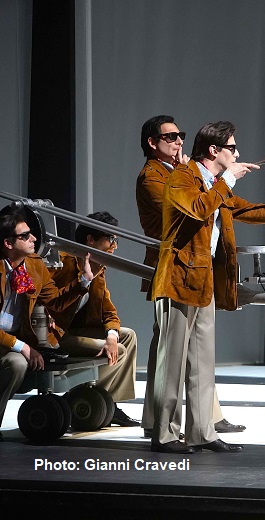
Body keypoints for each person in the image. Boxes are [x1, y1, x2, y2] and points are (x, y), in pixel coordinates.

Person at [149, 121, 265, 453]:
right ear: (214, 150)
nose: (238, 153)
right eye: (232, 147)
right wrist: (228, 179)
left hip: (204, 282)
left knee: (202, 363)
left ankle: (202, 432)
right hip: (178, 281)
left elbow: (247, 210)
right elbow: (197, 209)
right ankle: (165, 435)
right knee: (172, 364)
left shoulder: (217, 185)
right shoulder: (183, 177)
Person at [136, 115, 244, 439]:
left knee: (197, 353)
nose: (178, 141)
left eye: (180, 135)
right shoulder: (155, 176)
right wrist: (218, 181)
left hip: (198, 269)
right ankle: (161, 427)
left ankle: (203, 425)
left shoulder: (185, 172)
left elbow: (225, 208)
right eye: (170, 137)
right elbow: (187, 214)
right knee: (170, 353)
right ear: (152, 143)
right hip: (174, 269)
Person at [0, 209, 94, 440]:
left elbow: (55, 301)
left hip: (9, 340)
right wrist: (23, 346)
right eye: (25, 236)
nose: (33, 239)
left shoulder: (33, 265)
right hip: (8, 341)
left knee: (18, 362)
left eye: (31, 234)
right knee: (18, 361)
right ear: (8, 243)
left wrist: (83, 281)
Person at [48, 211, 140, 427]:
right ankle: (84, 397)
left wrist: (111, 335)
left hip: (76, 330)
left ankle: (109, 402)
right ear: (90, 239)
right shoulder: (64, 262)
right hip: (57, 334)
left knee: (127, 337)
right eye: (111, 239)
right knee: (120, 350)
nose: (115, 246)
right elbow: (44, 295)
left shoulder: (98, 266)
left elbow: (108, 310)